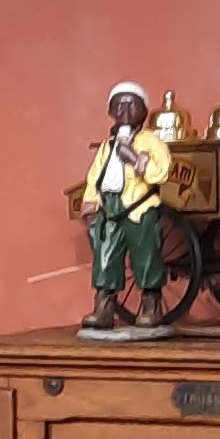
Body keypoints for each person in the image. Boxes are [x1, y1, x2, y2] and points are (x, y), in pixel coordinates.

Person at [73, 82, 172, 339]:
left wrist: (135, 159)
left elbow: (161, 173)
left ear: (143, 110)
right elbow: (95, 176)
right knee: (105, 257)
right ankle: (104, 308)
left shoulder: (151, 141)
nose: (124, 110)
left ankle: (150, 306)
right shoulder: (107, 146)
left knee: (145, 255)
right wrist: (91, 203)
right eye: (118, 105)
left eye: (131, 105)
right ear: (110, 112)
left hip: (139, 207)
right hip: (110, 207)